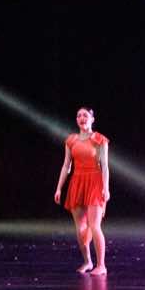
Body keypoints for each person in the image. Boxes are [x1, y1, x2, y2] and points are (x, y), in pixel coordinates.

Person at [53, 107, 110, 275]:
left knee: (95, 225)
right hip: (77, 182)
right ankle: (87, 261)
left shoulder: (99, 139)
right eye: (79, 115)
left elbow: (105, 166)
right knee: (80, 228)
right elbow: (66, 165)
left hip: (95, 182)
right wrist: (59, 188)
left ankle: (101, 265)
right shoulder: (71, 140)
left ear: (92, 119)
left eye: (85, 115)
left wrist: (106, 188)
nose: (82, 118)